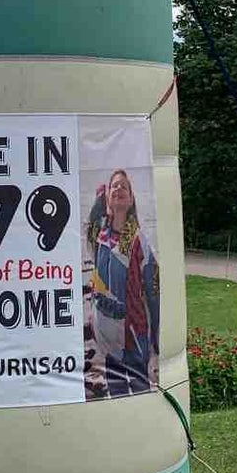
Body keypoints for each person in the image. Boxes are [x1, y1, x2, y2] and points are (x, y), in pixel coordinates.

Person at [86, 168, 158, 396]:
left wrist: (156, 333)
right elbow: (91, 222)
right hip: (105, 330)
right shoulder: (101, 236)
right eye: (114, 186)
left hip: (132, 331)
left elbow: (153, 290)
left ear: (131, 199)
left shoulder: (140, 239)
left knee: (139, 388)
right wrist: (101, 199)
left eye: (123, 186)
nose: (118, 189)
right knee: (115, 389)